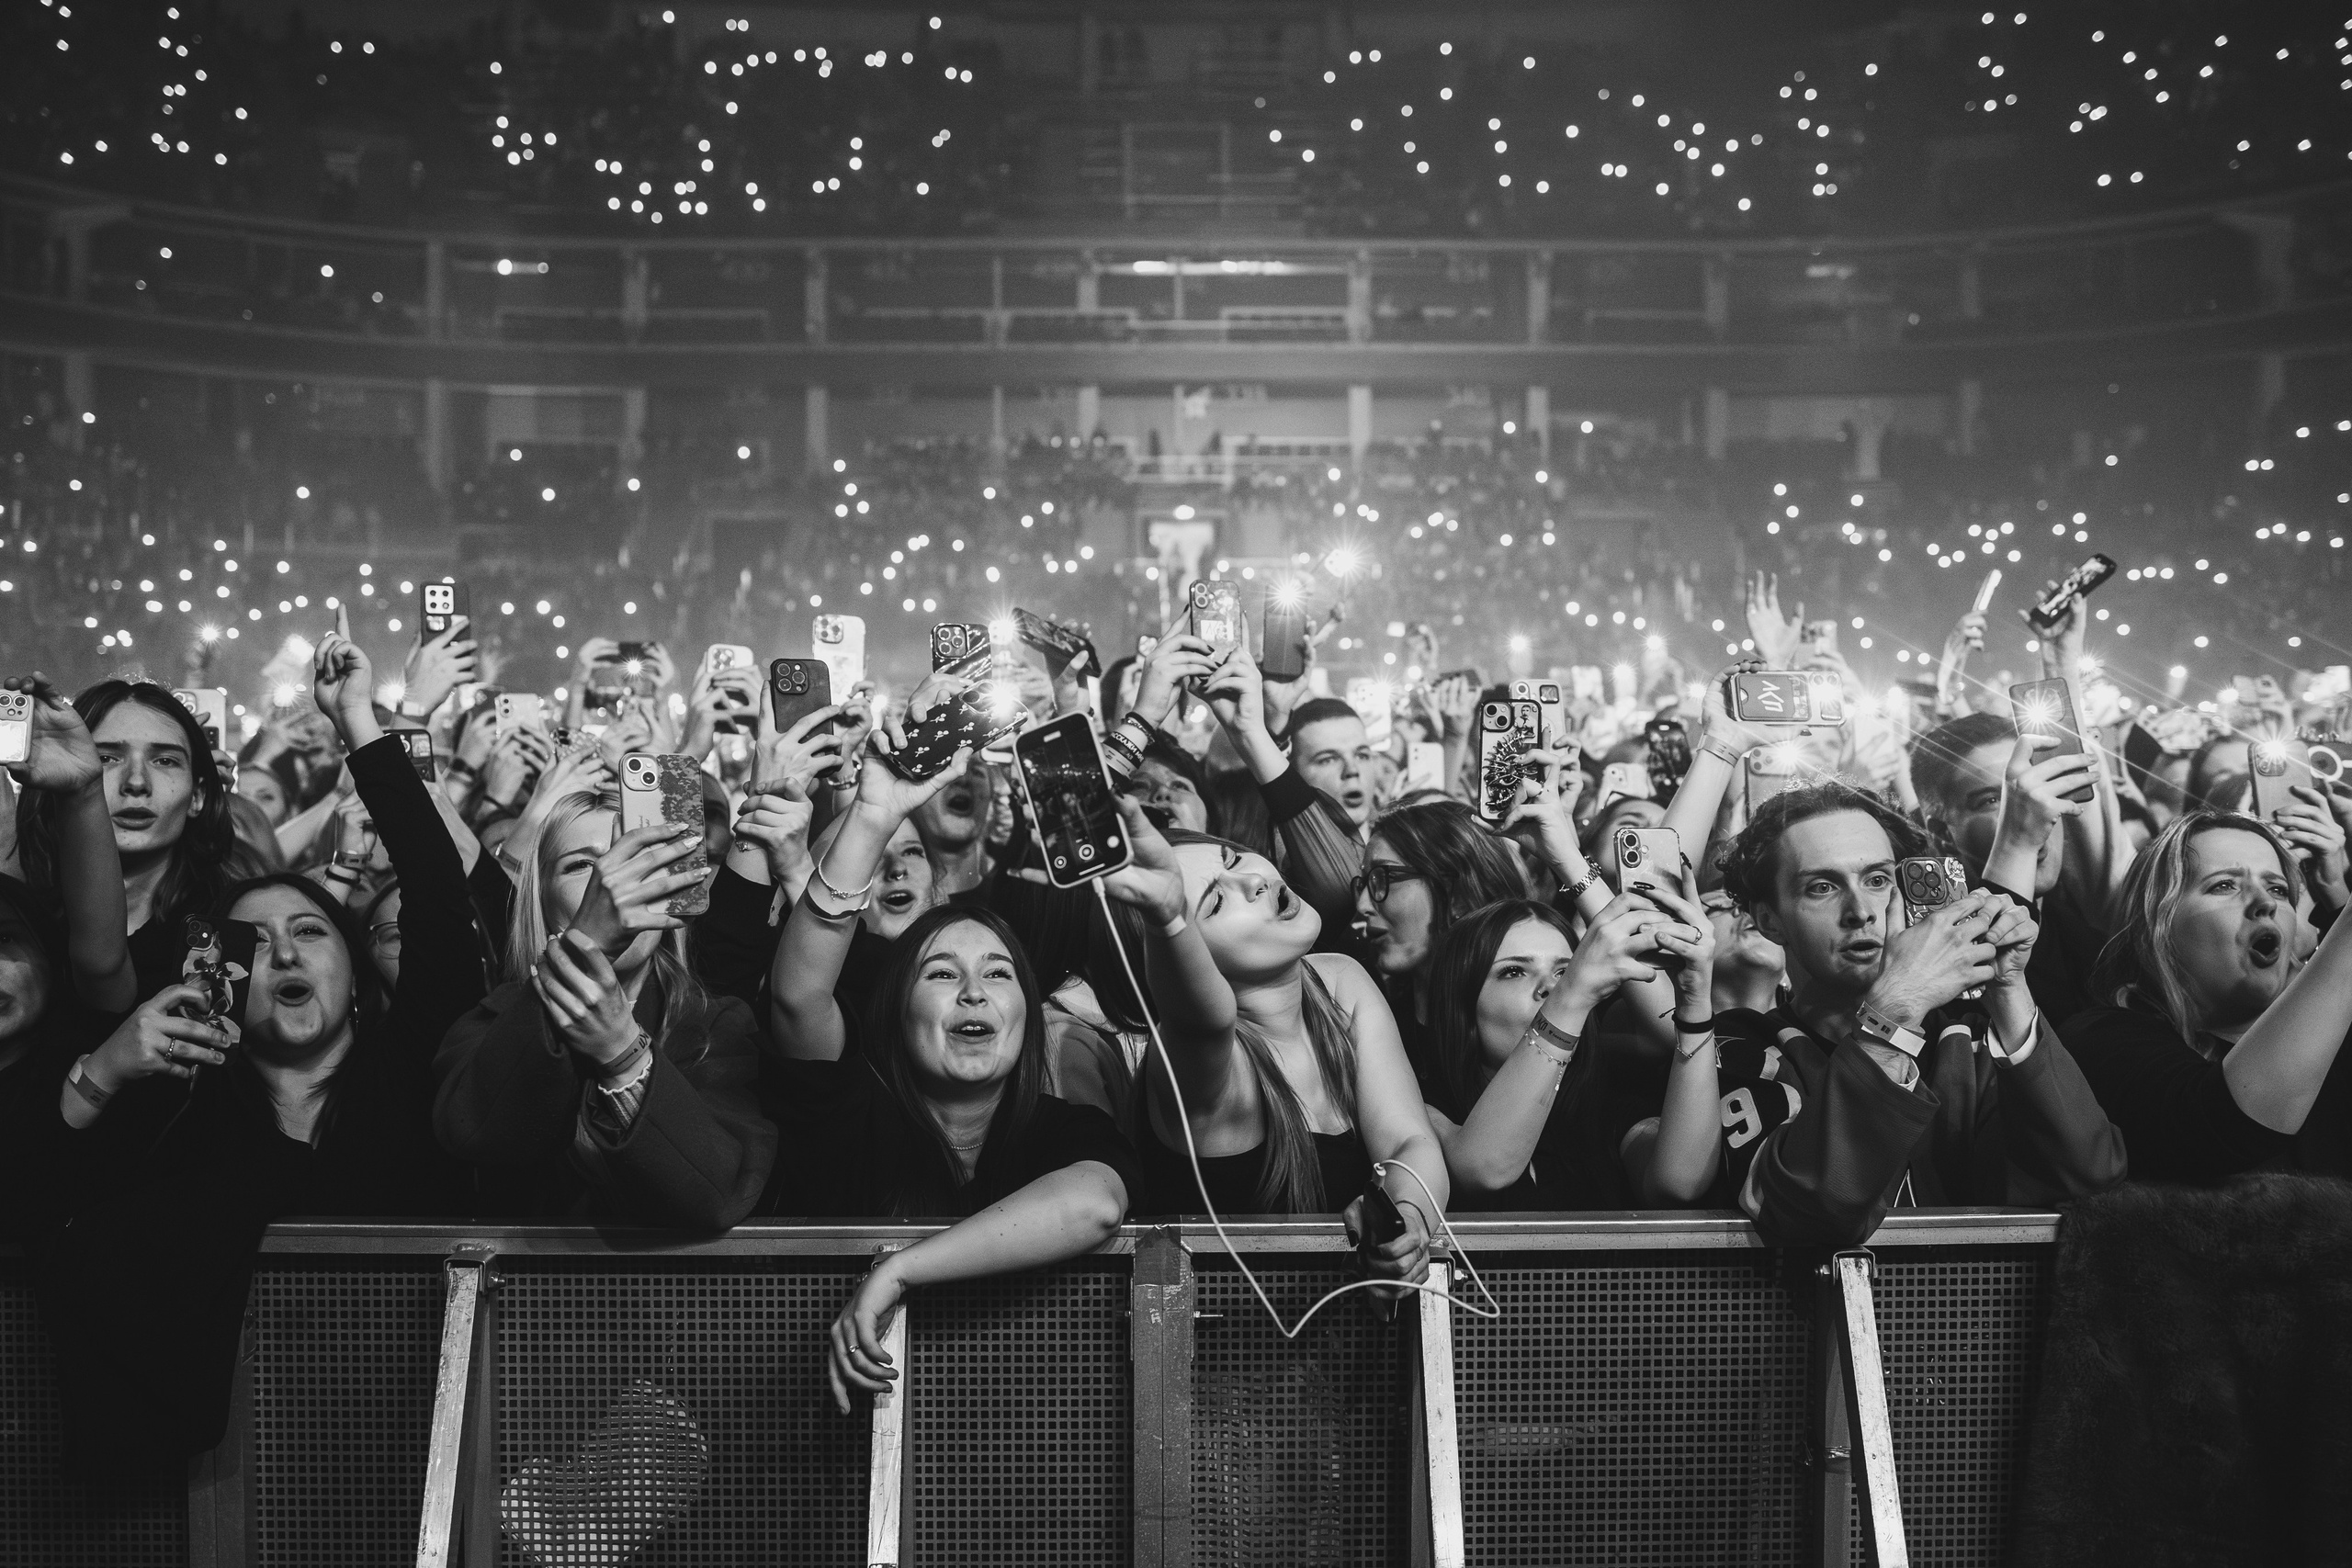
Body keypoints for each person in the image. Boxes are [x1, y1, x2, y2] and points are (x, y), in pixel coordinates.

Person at [28, 629, 489, 1468]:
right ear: (224, 978)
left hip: (413, 1452)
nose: (283, 952)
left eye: (311, 931)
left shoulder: (409, 1077)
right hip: (242, 1481)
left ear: (355, 974)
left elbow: (436, 890)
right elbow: (54, 1185)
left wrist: (361, 720)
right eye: (257, 938)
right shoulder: (187, 1111)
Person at [759, 699, 1138, 1412]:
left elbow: (1094, 1205)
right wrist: (871, 815)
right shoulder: (849, 1115)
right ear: (897, 1010)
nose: (973, 993)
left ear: (1029, 1008)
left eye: (998, 973)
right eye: (940, 973)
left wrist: (901, 1272)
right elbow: (799, 994)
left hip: (1017, 1471)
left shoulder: (1058, 1131)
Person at [1662, 784, 2124, 1246]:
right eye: (1821, 887)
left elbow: (2090, 1176)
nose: (1861, 912)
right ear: (1769, 921)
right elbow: (1815, 1210)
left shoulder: (1967, 1039)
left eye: (1879, 880)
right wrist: (1894, 1012)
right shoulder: (1739, 1049)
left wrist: (2007, 987)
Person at [1094, 796, 1443, 1288]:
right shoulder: (1195, 1060)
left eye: (1233, 860)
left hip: (1356, 1351)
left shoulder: (1340, 981)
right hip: (1227, 1350)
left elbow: (1409, 1140)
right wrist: (1168, 920)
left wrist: (1406, 1220)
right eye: (1214, 902)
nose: (1254, 882)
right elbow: (1203, 1019)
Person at [433, 757, 775, 1229]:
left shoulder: (717, 1026)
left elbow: (715, 1195)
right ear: (544, 900)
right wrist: (586, 945)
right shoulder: (489, 1022)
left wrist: (621, 1053)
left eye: (633, 861)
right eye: (582, 867)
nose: (614, 884)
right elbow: (480, 1134)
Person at [2064, 813, 2352, 1182]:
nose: (2265, 903)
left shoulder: (2337, 1046)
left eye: (2279, 889)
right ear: (2157, 925)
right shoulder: (2102, 1039)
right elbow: (2220, 1129)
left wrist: (2339, 903)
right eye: (2225, 886)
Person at [1421, 896, 1711, 1209]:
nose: (1551, 987)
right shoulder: (1420, 1106)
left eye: (1564, 972)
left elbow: (1680, 1183)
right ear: (1462, 1006)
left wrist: (1695, 1005)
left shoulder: (1607, 1105)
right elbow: (1484, 1168)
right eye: (1515, 971)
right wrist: (1571, 995)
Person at [15, 679, 238, 999]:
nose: (136, 782)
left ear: (197, 797)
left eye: (165, 760)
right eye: (105, 758)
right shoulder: (20, 923)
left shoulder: (233, 920)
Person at [1351, 797, 1527, 1083]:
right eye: (1364, 882)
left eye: (1383, 879)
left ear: (1457, 893)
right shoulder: (1374, 1013)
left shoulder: (1522, 1011)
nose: (1363, 905)